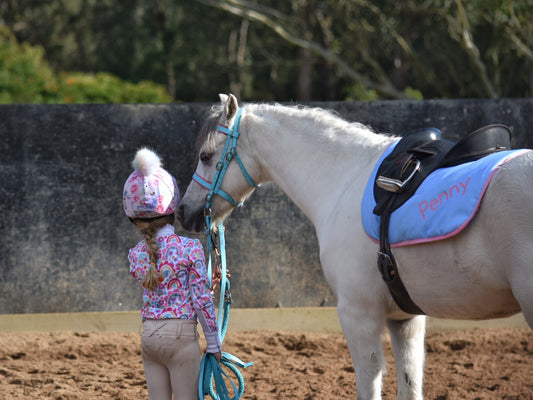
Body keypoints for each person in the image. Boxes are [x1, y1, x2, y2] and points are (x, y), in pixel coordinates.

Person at [123, 147, 222, 400]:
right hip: (180, 338)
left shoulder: (135, 255)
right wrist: (213, 343)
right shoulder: (190, 248)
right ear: (172, 205)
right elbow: (199, 300)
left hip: (150, 338)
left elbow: (163, 287)